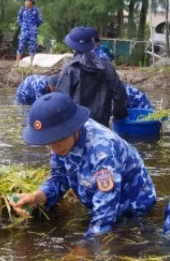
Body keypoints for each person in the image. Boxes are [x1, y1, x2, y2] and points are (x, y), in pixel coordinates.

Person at [10, 93, 156, 236]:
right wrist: (38, 196)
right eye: (48, 142)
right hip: (98, 198)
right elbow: (59, 178)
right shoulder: (61, 141)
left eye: (56, 140)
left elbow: (105, 210)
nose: (53, 148)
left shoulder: (102, 152)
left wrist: (87, 247)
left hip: (132, 208)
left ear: (74, 128)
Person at [56, 26, 127, 127]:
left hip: (77, 126)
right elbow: (119, 94)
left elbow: (61, 100)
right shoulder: (106, 65)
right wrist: (118, 115)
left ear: (72, 46)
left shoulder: (71, 68)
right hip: (102, 124)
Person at [16, 0, 43, 64]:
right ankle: (17, 63)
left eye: (27, 1)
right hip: (24, 31)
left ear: (31, 2)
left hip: (32, 32)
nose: (25, 2)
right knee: (21, 46)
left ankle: (31, 64)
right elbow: (19, 18)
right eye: (25, 1)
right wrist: (22, 25)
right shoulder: (22, 9)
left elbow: (40, 20)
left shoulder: (37, 10)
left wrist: (34, 26)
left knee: (32, 48)